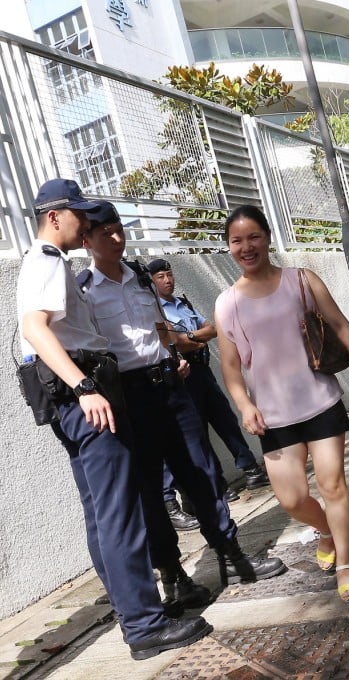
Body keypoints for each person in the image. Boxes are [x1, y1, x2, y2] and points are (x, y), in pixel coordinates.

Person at [16, 179, 211, 660]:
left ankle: (133, 611)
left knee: (101, 512)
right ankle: (144, 625)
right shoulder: (45, 260)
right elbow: (33, 329)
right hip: (85, 395)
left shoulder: (46, 262)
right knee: (120, 512)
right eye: (79, 215)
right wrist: (84, 387)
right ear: (55, 216)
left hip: (72, 397)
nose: (86, 224)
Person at [80, 201, 286, 603]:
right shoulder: (83, 291)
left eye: (119, 228)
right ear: (87, 239)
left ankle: (231, 555)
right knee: (151, 490)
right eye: (106, 233)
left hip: (170, 386)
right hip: (128, 396)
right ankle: (174, 576)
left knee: (202, 471)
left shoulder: (141, 278)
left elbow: (158, 325)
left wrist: (174, 355)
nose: (117, 238)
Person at [215, 205, 349, 602]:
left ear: (268, 237)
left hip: (320, 401)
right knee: (292, 499)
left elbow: (341, 326)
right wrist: (244, 405)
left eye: (253, 236)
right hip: (272, 415)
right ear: (228, 247)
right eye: (236, 240)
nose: (246, 246)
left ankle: (346, 562)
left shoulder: (301, 281)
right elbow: (231, 366)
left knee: (332, 484)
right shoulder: (226, 304)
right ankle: (326, 530)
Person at [148, 257, 271, 519]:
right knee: (198, 433)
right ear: (151, 282)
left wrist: (189, 338)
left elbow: (212, 330)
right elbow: (173, 342)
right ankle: (220, 486)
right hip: (182, 375)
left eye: (169, 274)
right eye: (160, 277)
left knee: (225, 419)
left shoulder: (183, 303)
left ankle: (251, 470)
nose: (167, 280)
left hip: (202, 371)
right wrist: (191, 339)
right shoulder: (155, 310)